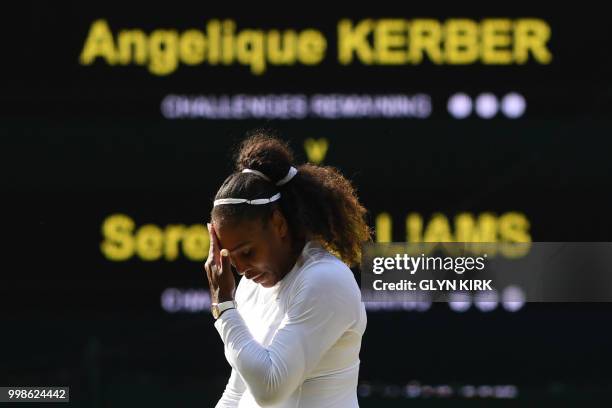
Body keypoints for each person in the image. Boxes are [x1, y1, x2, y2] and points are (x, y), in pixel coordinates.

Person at [204, 132, 370, 407]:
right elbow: (236, 394)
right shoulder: (249, 287)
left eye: (247, 252)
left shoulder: (325, 280)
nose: (241, 268)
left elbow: (270, 389)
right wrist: (228, 308)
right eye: (230, 257)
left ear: (279, 225)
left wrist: (223, 306)